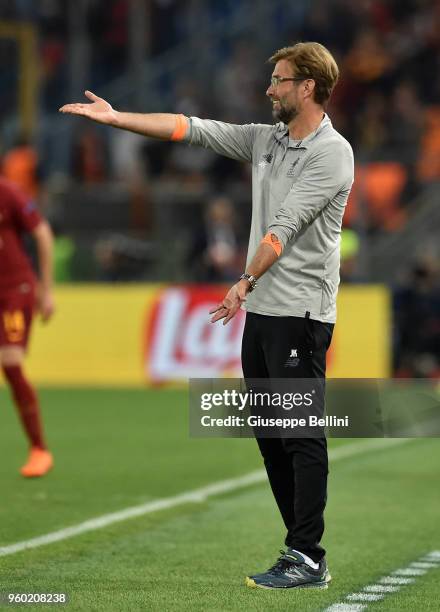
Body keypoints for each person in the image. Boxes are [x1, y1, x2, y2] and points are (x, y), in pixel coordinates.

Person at [60, 41, 354, 589]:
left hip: (301, 312)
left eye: (280, 80)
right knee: (271, 434)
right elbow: (190, 127)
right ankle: (302, 553)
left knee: (301, 434)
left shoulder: (332, 153)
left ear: (307, 88)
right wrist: (117, 117)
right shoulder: (267, 140)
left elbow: (282, 228)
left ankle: (307, 552)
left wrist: (243, 279)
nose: (269, 89)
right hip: (263, 311)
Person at [0, 177, 55, 477]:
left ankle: (39, 449)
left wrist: (46, 290)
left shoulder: (7, 192)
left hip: (14, 290)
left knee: (10, 362)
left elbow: (43, 233)